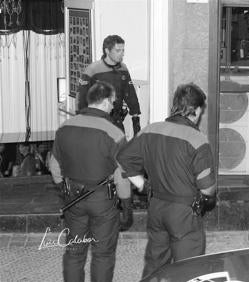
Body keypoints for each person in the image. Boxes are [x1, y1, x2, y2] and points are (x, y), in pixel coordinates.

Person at [116, 83, 216, 279]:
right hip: (184, 213)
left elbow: (122, 160)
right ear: (195, 110)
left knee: (155, 264)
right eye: (200, 111)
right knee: (189, 269)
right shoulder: (197, 139)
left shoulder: (150, 130)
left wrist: (143, 185)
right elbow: (208, 190)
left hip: (156, 208)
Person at [49, 81, 133, 282]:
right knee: (102, 255)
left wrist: (64, 189)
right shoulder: (115, 133)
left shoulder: (64, 128)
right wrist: (127, 208)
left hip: (73, 199)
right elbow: (122, 176)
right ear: (104, 102)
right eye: (112, 102)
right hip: (103, 201)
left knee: (74, 253)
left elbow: (54, 165)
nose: (113, 106)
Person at [77, 34, 141, 135]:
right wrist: (83, 122)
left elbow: (130, 93)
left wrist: (136, 119)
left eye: (123, 50)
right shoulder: (92, 70)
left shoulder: (123, 68)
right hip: (97, 121)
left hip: (117, 121)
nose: (122, 54)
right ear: (107, 51)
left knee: (120, 149)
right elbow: (82, 99)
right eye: (118, 50)